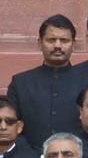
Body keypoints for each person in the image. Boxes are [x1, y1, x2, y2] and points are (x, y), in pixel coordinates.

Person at [7, 15, 83, 148]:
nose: (58, 46)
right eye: (51, 40)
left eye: (64, 40)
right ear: (40, 43)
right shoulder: (21, 83)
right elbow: (11, 127)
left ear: (73, 45)